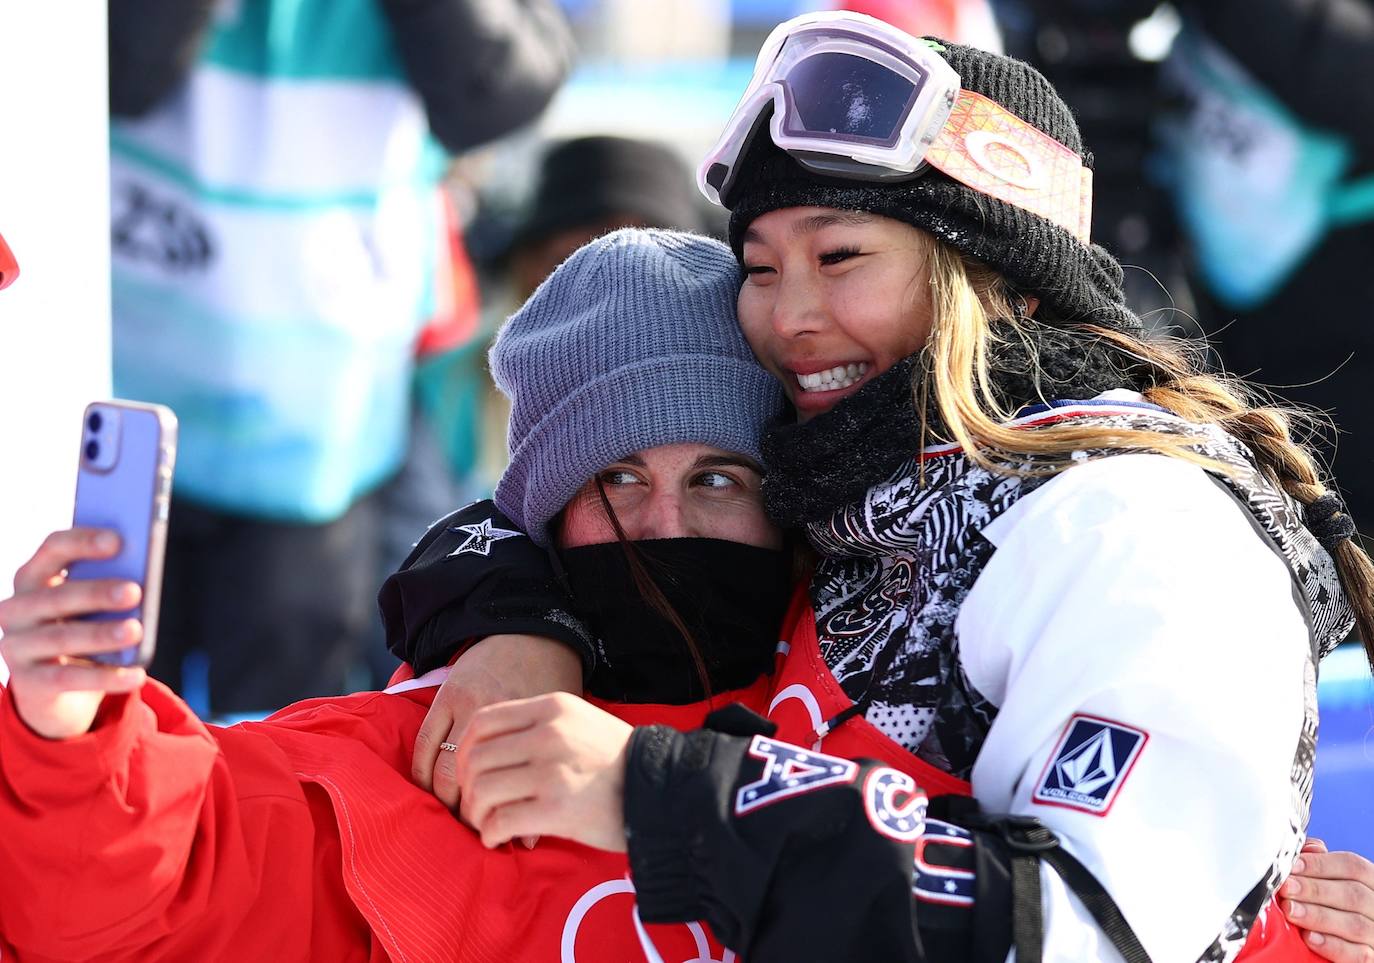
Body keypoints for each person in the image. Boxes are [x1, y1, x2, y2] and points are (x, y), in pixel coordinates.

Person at [398, 12, 1374, 962]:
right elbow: (575, 505)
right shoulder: (859, 474)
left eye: (840, 257)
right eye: (760, 267)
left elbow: (1080, 932)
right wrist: (516, 625)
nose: (790, 315)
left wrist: (658, 796)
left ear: (997, 272)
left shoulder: (1130, 527)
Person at [0, 229, 797, 961]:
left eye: (717, 479)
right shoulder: (440, 745)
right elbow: (156, 890)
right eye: (617, 478)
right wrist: (69, 733)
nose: (666, 525)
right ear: (548, 515)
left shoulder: (842, 710)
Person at [107, 0, 574, 715]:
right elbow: (112, 74)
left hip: (316, 435)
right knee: (99, 715)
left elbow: (500, 94)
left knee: (277, 739)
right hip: (118, 409)